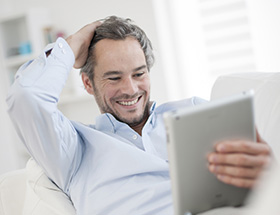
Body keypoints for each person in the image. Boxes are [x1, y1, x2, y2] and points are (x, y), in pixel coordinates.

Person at [6, 16, 271, 214]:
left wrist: (268, 173)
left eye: (139, 73)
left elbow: (258, 178)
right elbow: (26, 96)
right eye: (114, 77)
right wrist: (71, 45)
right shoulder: (73, 148)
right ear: (88, 83)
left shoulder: (195, 110)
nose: (130, 89)